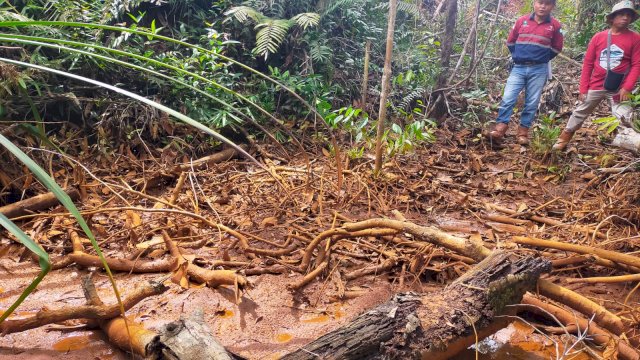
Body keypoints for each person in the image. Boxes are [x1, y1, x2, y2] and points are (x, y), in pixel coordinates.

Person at [553, 0, 640, 150]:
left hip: (620, 87)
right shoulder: (598, 37)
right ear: (612, 18)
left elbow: (637, 64)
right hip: (597, 84)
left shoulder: (635, 38)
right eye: (621, 14)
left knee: (625, 116)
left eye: (628, 15)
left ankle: (631, 143)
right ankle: (564, 137)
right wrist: (583, 88)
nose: (625, 18)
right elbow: (588, 63)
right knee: (581, 111)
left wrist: (627, 87)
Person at [488, 0, 564, 145]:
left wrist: (542, 58)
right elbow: (510, 42)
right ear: (534, 3)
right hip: (519, 67)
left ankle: (523, 133)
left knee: (532, 102)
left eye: (547, 4)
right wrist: (518, 56)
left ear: (552, 6)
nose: (543, 6)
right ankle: (500, 128)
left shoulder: (555, 25)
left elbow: (557, 47)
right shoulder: (522, 21)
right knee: (508, 97)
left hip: (539, 69)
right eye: (540, 2)